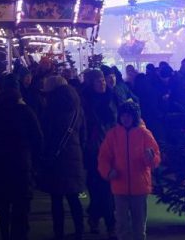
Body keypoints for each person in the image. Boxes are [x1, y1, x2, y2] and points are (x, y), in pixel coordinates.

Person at [0, 75, 43, 240]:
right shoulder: (25, 111)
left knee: (3, 205)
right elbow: (37, 139)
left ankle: (5, 235)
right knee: (21, 207)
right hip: (21, 163)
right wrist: (35, 164)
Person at [98, 101, 161, 240]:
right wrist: (108, 172)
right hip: (119, 186)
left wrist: (150, 158)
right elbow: (103, 157)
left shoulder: (145, 134)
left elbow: (155, 158)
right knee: (121, 224)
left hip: (139, 186)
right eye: (123, 116)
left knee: (139, 225)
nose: (126, 119)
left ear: (135, 117)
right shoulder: (113, 135)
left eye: (129, 116)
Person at [40, 75, 86, 240]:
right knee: (73, 197)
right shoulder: (76, 107)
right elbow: (83, 134)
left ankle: (58, 232)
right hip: (74, 155)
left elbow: (47, 133)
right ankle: (79, 231)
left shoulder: (52, 109)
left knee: (56, 198)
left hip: (56, 157)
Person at [80, 69, 117, 237]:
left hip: (111, 147)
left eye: (103, 79)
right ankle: (98, 218)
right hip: (93, 149)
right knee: (96, 187)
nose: (102, 83)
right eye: (98, 81)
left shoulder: (112, 97)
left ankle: (108, 222)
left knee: (108, 187)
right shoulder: (85, 102)